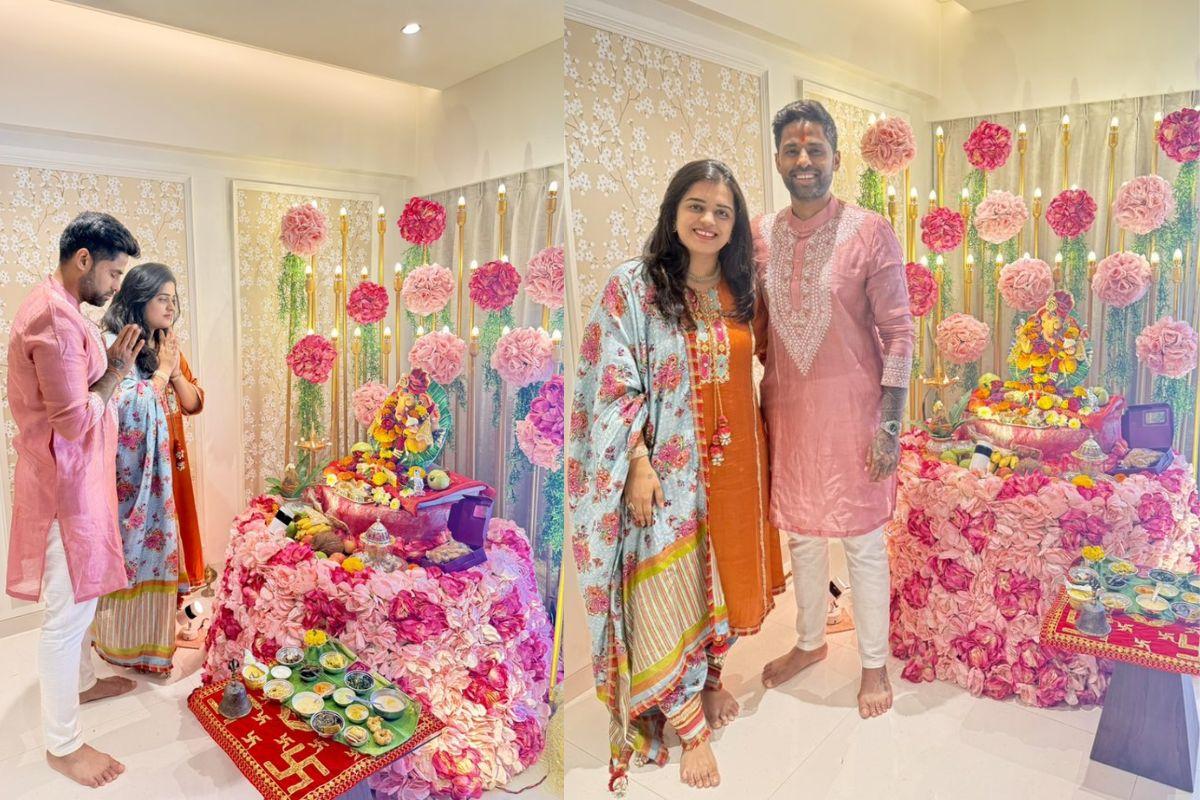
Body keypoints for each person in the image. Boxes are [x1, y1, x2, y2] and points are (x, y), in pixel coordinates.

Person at [570, 159, 784, 792]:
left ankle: (709, 682)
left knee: (722, 580)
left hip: (736, 466)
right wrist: (637, 463)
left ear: (737, 223)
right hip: (668, 475)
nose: (709, 220)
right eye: (696, 206)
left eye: (723, 211)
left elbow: (772, 368)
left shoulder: (745, 290)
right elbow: (609, 388)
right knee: (666, 586)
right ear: (672, 212)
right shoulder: (632, 288)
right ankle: (687, 723)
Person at [753, 100, 914, 719]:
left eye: (815, 149)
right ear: (778, 160)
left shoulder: (869, 230)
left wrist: (891, 425)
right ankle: (809, 642)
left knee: (864, 541)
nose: (803, 160)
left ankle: (874, 664)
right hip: (790, 415)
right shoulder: (763, 235)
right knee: (802, 537)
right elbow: (761, 326)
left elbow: (899, 333)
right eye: (792, 149)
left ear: (836, 159)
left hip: (856, 415)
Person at [6, 211, 145, 787]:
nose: (115, 287)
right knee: (66, 616)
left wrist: (109, 367)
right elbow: (72, 421)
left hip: (77, 479)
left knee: (81, 599)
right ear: (83, 259)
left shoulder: (62, 308)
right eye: (112, 273)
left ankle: (83, 684)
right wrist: (115, 370)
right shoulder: (56, 322)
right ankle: (62, 745)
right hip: (66, 486)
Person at [92, 263, 204, 673]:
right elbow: (121, 408)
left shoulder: (166, 343)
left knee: (175, 544)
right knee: (133, 552)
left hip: (170, 463)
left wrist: (172, 371)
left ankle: (167, 626)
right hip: (133, 477)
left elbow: (192, 403)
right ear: (139, 298)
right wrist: (159, 373)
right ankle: (129, 643)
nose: (171, 306)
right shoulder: (117, 344)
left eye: (175, 299)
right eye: (163, 298)